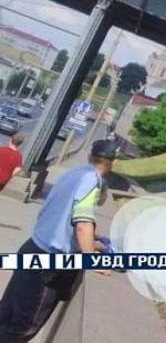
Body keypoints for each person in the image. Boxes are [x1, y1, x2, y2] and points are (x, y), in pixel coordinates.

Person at [0, 139, 118, 342]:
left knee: (6, 314)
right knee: (22, 327)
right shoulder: (92, 181)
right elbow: (82, 223)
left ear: (90, 156)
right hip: (48, 265)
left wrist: (94, 239)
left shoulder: (74, 174)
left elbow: (60, 214)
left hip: (32, 247)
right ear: (112, 163)